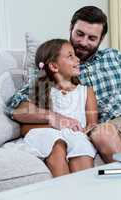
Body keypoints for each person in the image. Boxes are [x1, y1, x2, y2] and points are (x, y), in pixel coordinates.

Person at [6, 6, 121, 164]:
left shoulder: (112, 56)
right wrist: (53, 117)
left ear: (101, 39)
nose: (83, 42)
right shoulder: (58, 67)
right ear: (71, 29)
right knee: (102, 134)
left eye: (92, 38)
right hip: (115, 127)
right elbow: (16, 104)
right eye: (79, 34)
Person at [22, 39, 98, 177]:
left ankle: (86, 190)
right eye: (70, 56)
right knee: (56, 143)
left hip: (76, 135)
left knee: (81, 144)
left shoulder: (86, 91)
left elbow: (92, 124)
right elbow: (26, 127)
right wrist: (57, 126)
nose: (77, 59)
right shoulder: (43, 91)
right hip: (50, 134)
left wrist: (84, 131)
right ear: (54, 66)